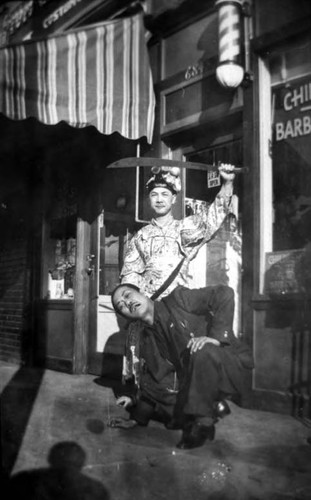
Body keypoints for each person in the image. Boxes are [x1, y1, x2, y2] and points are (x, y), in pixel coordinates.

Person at [110, 283, 254, 450]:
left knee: (202, 350)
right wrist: (136, 418)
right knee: (172, 413)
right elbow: (158, 379)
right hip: (199, 379)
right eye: (122, 306)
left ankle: (204, 423)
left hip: (230, 365)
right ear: (126, 315)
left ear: (142, 293)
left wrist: (216, 338)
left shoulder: (179, 300)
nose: (127, 303)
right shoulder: (146, 339)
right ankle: (213, 404)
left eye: (127, 295)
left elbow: (224, 293)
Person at [120, 164, 236, 298]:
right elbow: (129, 274)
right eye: (154, 195)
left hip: (179, 304)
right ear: (149, 200)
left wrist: (228, 183)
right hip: (149, 306)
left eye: (164, 194)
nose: (159, 200)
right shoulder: (141, 236)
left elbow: (213, 216)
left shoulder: (184, 227)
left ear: (173, 198)